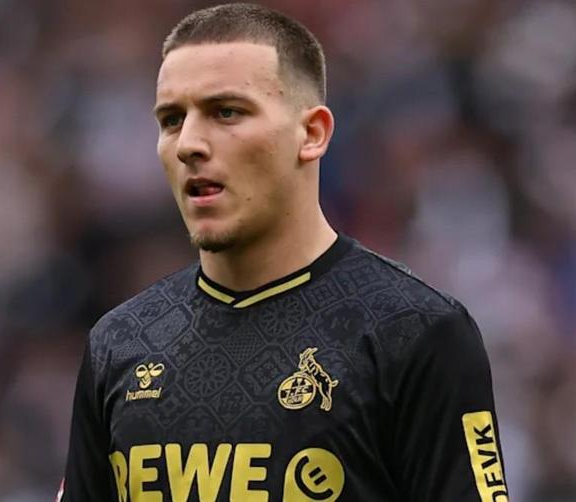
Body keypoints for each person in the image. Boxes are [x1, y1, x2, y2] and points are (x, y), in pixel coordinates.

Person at [60, 3, 508, 501]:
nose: (188, 143)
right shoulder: (119, 343)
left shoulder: (414, 332)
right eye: (171, 119)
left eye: (226, 112)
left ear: (311, 134)